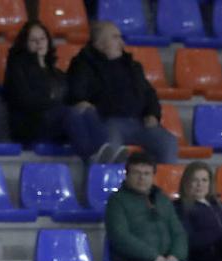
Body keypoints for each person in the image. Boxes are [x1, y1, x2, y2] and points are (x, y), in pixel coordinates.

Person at [66, 22, 178, 164]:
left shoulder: (132, 66)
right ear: (99, 44)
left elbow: (149, 93)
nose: (121, 43)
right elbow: (77, 93)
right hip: (107, 121)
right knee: (110, 150)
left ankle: (161, 178)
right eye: (115, 37)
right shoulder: (83, 64)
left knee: (168, 142)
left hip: (140, 122)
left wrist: (152, 114)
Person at [105, 152, 212, 261]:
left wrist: (175, 256)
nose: (142, 178)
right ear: (127, 175)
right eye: (136, 173)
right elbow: (120, 237)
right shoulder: (116, 201)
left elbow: (178, 233)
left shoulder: (162, 199)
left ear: (153, 176)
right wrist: (154, 257)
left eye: (146, 173)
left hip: (167, 260)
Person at [3, 21, 107, 160]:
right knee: (70, 114)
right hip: (31, 124)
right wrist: (53, 102)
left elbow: (66, 97)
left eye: (42, 38)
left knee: (87, 111)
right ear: (25, 44)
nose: (39, 43)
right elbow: (25, 100)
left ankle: (103, 152)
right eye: (33, 40)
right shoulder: (17, 68)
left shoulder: (55, 72)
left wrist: (79, 104)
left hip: (57, 121)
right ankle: (92, 157)